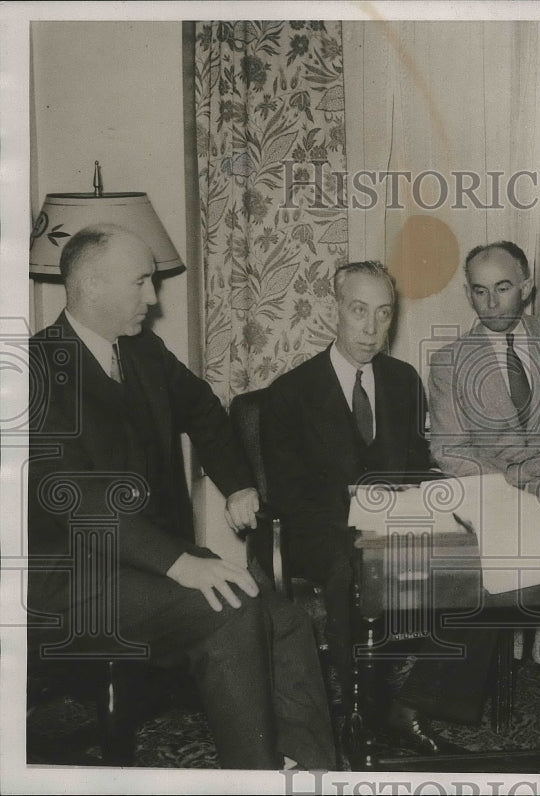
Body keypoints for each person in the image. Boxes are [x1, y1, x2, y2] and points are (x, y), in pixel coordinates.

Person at [27, 224, 340, 770]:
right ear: (92, 286)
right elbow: (80, 501)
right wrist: (179, 563)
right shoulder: (34, 371)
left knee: (284, 618)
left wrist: (237, 482)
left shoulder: (144, 352)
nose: (153, 298)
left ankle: (310, 770)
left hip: (145, 561)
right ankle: (256, 778)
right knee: (230, 609)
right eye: (142, 282)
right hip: (69, 579)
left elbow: (203, 411)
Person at [262, 260, 494, 752]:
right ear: (335, 310)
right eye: (358, 311)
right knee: (356, 566)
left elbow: (416, 468)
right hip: (321, 531)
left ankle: (414, 705)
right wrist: (363, 518)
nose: (371, 329)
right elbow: (288, 496)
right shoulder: (290, 393)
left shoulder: (403, 380)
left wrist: (442, 505)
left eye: (383, 314)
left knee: (484, 558)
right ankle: (361, 713)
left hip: (396, 523)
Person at [426, 241, 540, 745]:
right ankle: (489, 676)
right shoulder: (447, 362)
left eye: (503, 288)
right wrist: (514, 488)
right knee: (511, 535)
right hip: (492, 490)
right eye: (479, 292)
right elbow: (449, 451)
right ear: (468, 294)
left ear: (526, 288)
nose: (492, 302)